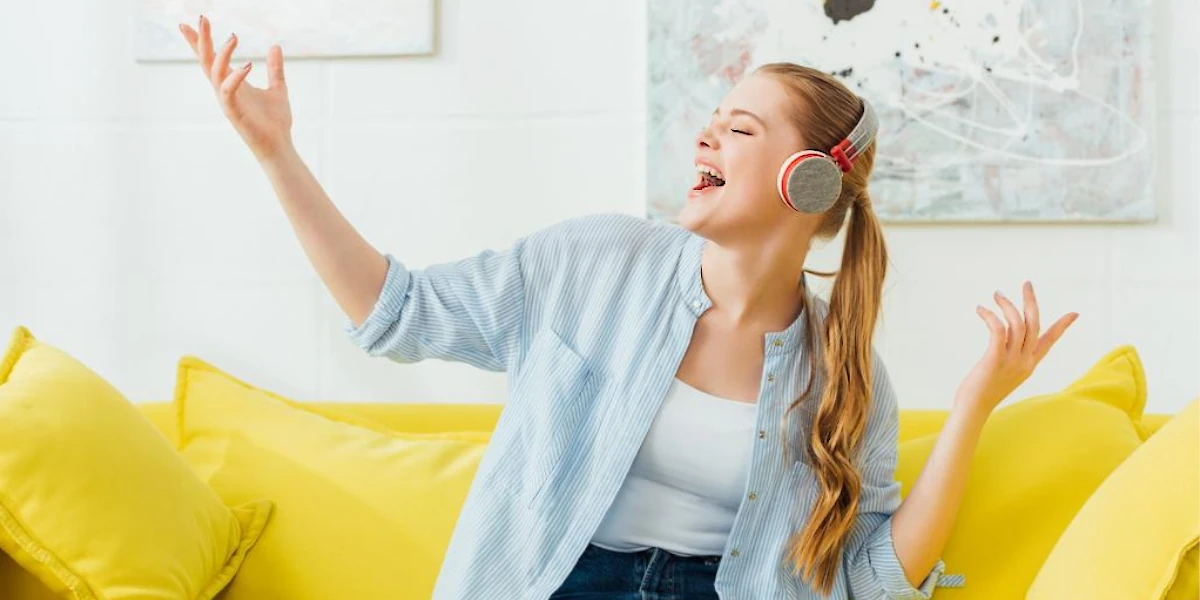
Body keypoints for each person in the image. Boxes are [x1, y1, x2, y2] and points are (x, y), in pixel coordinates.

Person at [179, 16, 1080, 600]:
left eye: (740, 127)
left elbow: (877, 576)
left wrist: (975, 404)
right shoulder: (594, 261)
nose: (705, 133)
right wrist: (276, 155)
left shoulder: (841, 376)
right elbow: (399, 314)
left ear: (806, 180)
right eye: (712, 116)